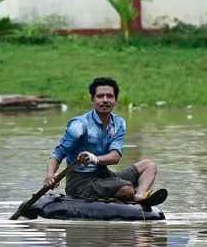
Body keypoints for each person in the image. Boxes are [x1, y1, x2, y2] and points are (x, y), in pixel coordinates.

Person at [46, 77, 166, 206]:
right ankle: (131, 194)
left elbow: (115, 157)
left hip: (104, 175)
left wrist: (94, 159)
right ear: (92, 99)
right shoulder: (79, 125)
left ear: (115, 100)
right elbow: (58, 154)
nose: (105, 100)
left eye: (109, 96)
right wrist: (50, 175)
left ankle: (139, 196)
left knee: (149, 165)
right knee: (126, 189)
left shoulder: (118, 123)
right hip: (80, 181)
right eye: (100, 96)